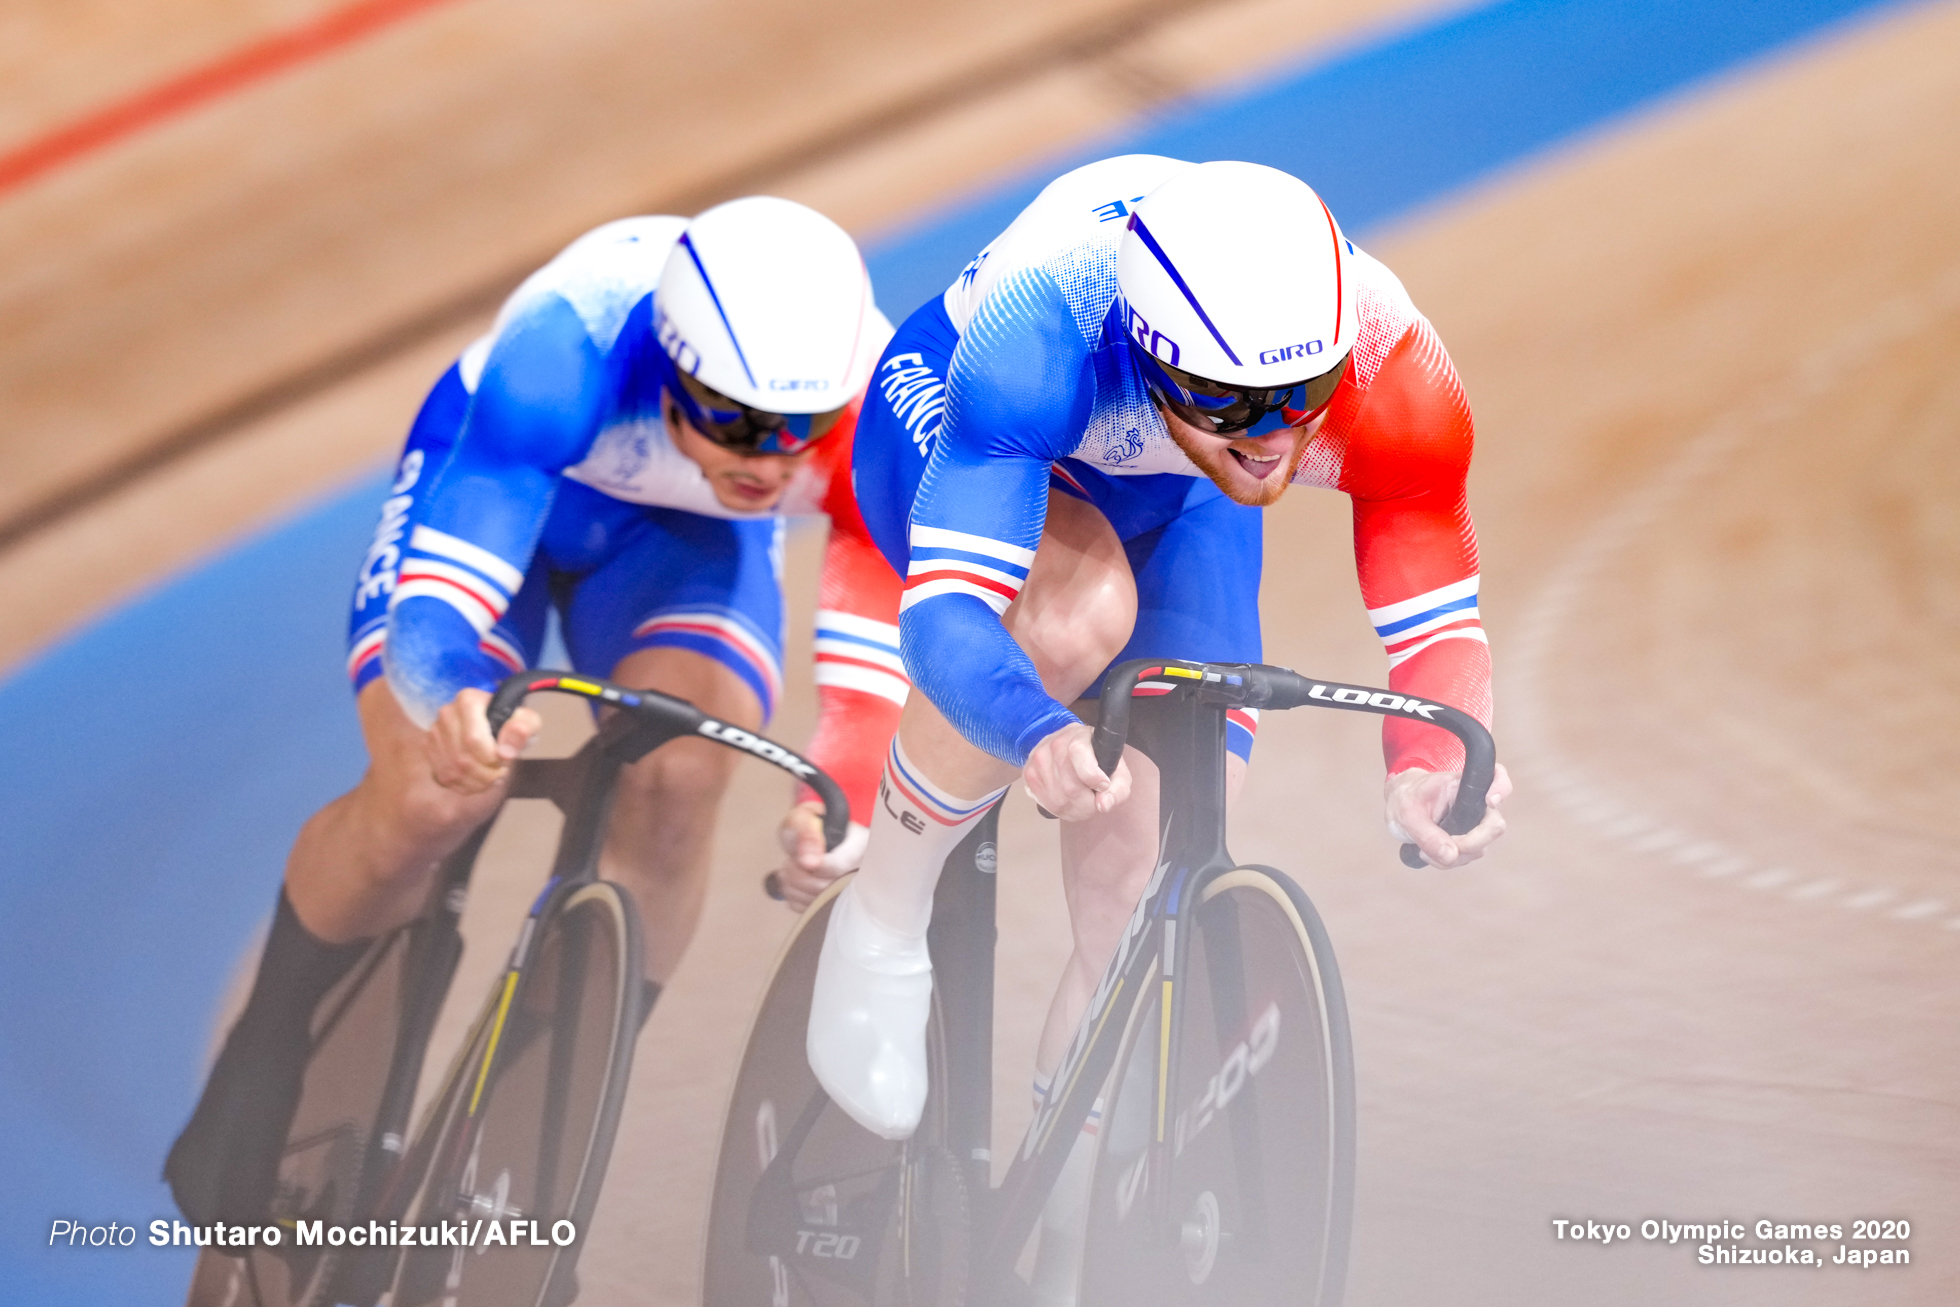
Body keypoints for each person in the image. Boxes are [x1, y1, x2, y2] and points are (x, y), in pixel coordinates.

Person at [803, 155, 1512, 1300]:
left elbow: (1438, 619)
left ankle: (1064, 1244)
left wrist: (1431, 757)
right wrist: (1028, 724)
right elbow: (943, 622)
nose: (1275, 438)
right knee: (1077, 617)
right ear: (1150, 351)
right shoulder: (1042, 333)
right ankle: (884, 914)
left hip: (1178, 495)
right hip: (956, 418)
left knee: (1138, 880)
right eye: (1234, 404)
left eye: (1302, 397)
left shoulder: (1391, 373)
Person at [165, 197, 909, 1227]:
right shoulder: (565, 352)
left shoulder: (881, 417)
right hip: (509, 494)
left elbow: (871, 660)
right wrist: (449, 694)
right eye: (735, 421)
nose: (770, 461)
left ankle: (546, 1112)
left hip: (675, 548)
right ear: (674, 367)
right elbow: (435, 620)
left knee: (681, 772)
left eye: (802, 430)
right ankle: (267, 1055)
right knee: (429, 792)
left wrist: (847, 798)